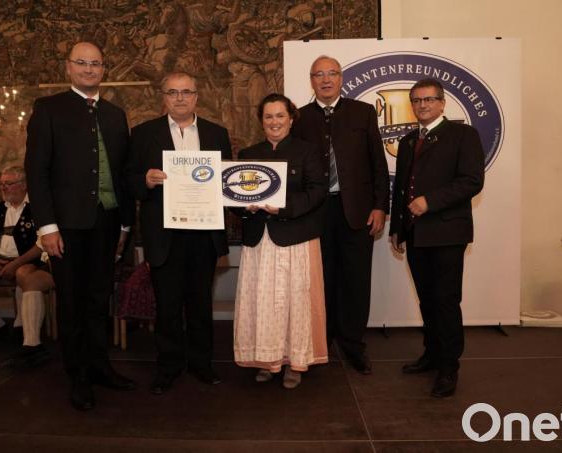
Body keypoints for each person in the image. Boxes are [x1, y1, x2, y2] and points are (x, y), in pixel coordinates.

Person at [25, 41, 134, 411]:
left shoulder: (117, 114)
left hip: (107, 222)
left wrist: (123, 227)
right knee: (71, 303)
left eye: (96, 64)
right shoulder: (48, 109)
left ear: (104, 69)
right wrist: (47, 227)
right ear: (68, 67)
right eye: (82, 63)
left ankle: (101, 367)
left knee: (98, 300)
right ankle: (79, 377)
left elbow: (122, 175)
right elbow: (36, 173)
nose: (89, 69)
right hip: (66, 227)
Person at [129, 71, 231, 395]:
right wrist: (145, 180)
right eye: (173, 93)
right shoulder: (144, 134)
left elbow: (226, 183)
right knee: (168, 306)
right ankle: (169, 366)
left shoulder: (217, 134)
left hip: (203, 234)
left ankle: (201, 364)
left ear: (197, 97)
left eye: (186, 92)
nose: (180, 98)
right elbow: (128, 181)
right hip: (164, 235)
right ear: (164, 97)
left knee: (201, 303)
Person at [291, 55, 390, 375]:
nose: (325, 79)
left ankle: (353, 344)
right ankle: (321, 342)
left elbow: (377, 162)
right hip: (315, 213)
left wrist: (380, 206)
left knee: (356, 281)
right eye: (318, 74)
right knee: (320, 281)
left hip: (358, 212)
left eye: (331, 73)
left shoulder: (362, 112)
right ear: (311, 80)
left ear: (341, 78)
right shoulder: (300, 118)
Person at [389, 78, 485, 398]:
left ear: (442, 103)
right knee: (427, 300)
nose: (422, 105)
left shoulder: (463, 135)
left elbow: (472, 181)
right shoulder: (406, 141)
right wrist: (398, 229)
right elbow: (401, 189)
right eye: (416, 101)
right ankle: (431, 355)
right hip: (416, 234)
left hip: (446, 233)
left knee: (445, 302)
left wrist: (431, 201)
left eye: (429, 100)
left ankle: (448, 367)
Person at [233, 93, 328, 389]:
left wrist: (283, 208)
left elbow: (317, 191)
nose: (274, 122)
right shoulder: (249, 154)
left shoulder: (308, 151)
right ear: (261, 121)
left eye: (280, 116)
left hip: (295, 238)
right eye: (268, 117)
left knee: (293, 301)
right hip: (260, 239)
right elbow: (234, 195)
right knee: (261, 301)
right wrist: (243, 205)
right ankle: (266, 359)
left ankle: (293, 363)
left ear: (291, 118)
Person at [0, 165, 54, 368]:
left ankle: (28, 337)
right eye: (2, 184)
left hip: (30, 262)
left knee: (24, 274)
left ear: (24, 185)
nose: (4, 188)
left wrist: (16, 264)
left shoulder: (39, 207)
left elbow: (42, 243)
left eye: (9, 183)